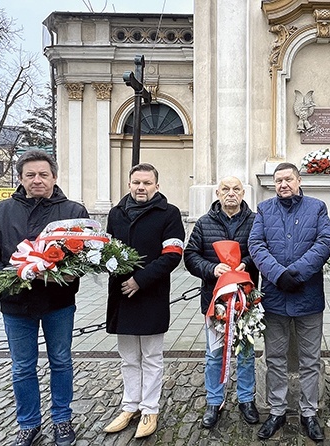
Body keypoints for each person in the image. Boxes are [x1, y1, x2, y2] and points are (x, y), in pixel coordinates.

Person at [0, 149, 89, 446]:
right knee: (22, 366)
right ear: (20, 178)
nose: (37, 180)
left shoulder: (73, 212)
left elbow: (89, 254)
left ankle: (62, 420)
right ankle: (28, 424)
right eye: (30, 175)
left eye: (43, 174)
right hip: (15, 305)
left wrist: (70, 273)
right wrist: (9, 274)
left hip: (58, 303)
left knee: (62, 361)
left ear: (54, 177)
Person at [248, 162, 330, 441]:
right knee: (275, 358)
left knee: (310, 359)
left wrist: (296, 273)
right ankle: (277, 410)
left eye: (288, 179)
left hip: (308, 296)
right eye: (278, 180)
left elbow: (324, 242)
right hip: (275, 297)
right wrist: (277, 275)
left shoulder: (317, 207)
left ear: (299, 181)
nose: (283, 184)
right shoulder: (264, 209)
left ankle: (309, 412)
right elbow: (256, 245)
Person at [102, 163, 185, 439]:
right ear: (129, 184)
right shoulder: (116, 213)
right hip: (122, 295)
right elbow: (109, 249)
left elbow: (172, 254)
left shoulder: (169, 213)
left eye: (147, 183)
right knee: (128, 358)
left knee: (151, 357)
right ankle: (130, 406)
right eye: (136, 182)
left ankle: (150, 408)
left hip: (150, 293)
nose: (141, 187)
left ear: (156, 186)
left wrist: (141, 279)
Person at [184, 176, 260, 428]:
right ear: (217, 193)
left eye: (236, 189)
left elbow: (259, 250)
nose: (231, 193)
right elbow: (190, 255)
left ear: (243, 193)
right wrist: (211, 268)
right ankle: (214, 401)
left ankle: (246, 399)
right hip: (214, 301)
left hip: (245, 301)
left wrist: (245, 264)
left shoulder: (254, 221)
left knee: (246, 353)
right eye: (225, 189)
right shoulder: (204, 223)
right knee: (215, 353)